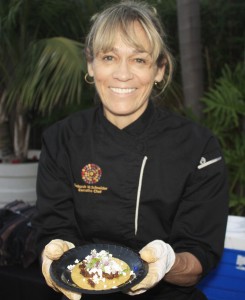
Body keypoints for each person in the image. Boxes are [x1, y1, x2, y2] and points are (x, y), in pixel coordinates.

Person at [32, 1, 229, 300]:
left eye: (139, 59)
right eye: (109, 57)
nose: (122, 74)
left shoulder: (198, 147)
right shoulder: (61, 139)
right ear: (90, 63)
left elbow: (199, 254)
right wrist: (52, 257)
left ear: (160, 69)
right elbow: (54, 231)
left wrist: (169, 263)